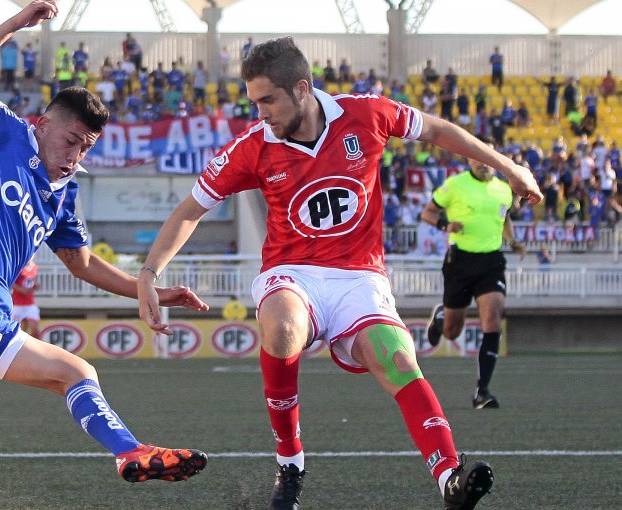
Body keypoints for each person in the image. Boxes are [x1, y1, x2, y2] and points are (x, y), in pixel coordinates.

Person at [136, 37, 542, 510]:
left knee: (398, 359)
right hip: (292, 272)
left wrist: (508, 166)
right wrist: (149, 272)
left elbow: (435, 130)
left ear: (302, 89)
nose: (259, 112)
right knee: (284, 324)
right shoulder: (252, 148)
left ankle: (449, 477)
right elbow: (190, 210)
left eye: (268, 99)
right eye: (253, 101)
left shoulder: (366, 114)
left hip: (359, 276)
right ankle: (290, 461)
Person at [0, 3, 207, 509]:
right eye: (70, 140)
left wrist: (146, 287)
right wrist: (18, 22)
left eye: (84, 148)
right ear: (43, 124)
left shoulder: (63, 193)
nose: (74, 154)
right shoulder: (5, 132)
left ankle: (130, 453)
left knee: (77, 372)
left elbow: (82, 263)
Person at [421, 136, 526, 412]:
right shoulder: (454, 185)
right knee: (452, 332)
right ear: (468, 158)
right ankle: (442, 316)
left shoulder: (504, 189)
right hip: (460, 262)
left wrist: (513, 241)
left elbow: (504, 218)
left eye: (488, 157)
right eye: (477, 157)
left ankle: (482, 392)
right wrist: (446, 225)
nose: (483, 163)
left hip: (491, 261)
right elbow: (428, 213)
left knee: (492, 319)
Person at [10, 258, 41, 339]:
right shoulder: (18, 266)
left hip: (30, 304)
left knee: (35, 330)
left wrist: (35, 287)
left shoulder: (35, 267)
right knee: (17, 331)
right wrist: (21, 290)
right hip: (17, 304)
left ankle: (34, 348)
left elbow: (31, 282)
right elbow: (11, 282)